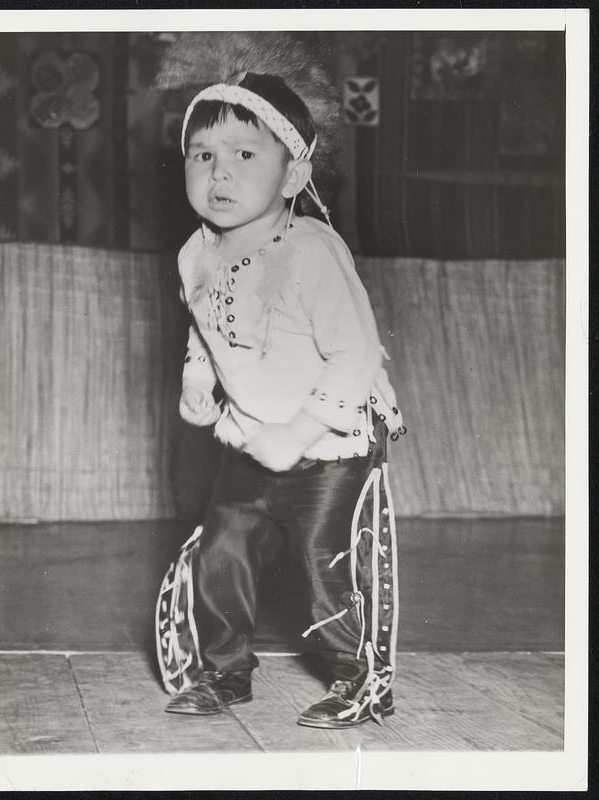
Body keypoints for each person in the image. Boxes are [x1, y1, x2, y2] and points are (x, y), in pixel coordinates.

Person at [157, 72, 405, 729]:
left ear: (293, 177)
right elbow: (204, 331)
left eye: (245, 154)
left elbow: (356, 354)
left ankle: (361, 679)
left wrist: (297, 431)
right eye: (202, 154)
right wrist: (197, 384)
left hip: (325, 445)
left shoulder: (311, 253)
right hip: (247, 440)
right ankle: (224, 670)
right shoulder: (194, 255)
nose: (220, 173)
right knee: (220, 554)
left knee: (323, 565)